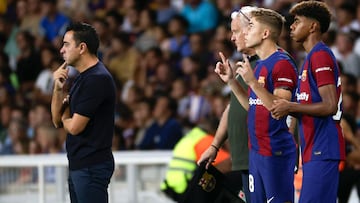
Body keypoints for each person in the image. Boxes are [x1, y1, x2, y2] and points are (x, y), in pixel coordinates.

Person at [213, 8, 299, 203]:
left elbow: (279, 108)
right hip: (257, 152)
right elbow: (254, 107)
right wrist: (231, 82)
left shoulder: (282, 63)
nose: (245, 33)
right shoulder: (260, 65)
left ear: (265, 33)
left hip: (275, 152)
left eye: (250, 27)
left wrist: (252, 83)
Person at [270, 1, 346, 203]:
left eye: (297, 21)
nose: (292, 26)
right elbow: (305, 107)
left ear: (313, 26)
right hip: (313, 148)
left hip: (324, 147)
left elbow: (329, 105)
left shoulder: (320, 56)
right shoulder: (310, 58)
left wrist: (290, 106)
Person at [197, 6, 258, 203]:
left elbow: (264, 110)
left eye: (236, 31)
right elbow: (233, 107)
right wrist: (215, 145)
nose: (232, 38)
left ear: (253, 30)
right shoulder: (244, 67)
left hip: (260, 158)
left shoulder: (269, 64)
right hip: (243, 159)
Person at [51, 22, 116, 203]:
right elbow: (57, 121)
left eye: (66, 44)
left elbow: (74, 127)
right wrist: (57, 89)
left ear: (82, 48)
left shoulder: (97, 79)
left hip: (91, 166)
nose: (61, 50)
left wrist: (65, 113)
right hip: (80, 165)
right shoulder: (82, 77)